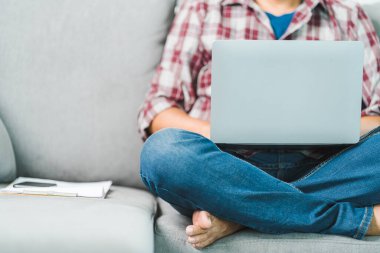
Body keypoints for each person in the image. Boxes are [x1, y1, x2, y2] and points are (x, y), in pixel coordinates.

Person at [138, 0, 380, 249]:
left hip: (326, 165)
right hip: (224, 167)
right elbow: (158, 109)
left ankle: (240, 214)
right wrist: (216, 130)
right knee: (163, 152)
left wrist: (331, 125)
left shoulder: (347, 14)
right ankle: (353, 219)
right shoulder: (203, 8)